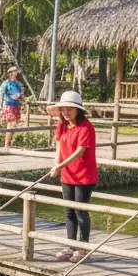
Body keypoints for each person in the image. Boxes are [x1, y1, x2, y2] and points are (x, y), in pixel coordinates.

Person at [47, 90, 97, 262]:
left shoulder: (86, 127)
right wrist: (56, 165)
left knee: (80, 211)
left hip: (84, 175)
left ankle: (84, 248)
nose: (66, 113)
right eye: (64, 110)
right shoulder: (62, 125)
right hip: (67, 174)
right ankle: (71, 245)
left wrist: (60, 166)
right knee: (69, 211)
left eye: (69, 109)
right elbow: (59, 147)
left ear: (78, 110)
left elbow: (79, 152)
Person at [0, 66, 23, 148]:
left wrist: (19, 97)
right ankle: (6, 144)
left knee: (14, 124)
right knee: (10, 124)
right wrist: (0, 108)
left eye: (15, 71)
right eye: (12, 72)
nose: (14, 73)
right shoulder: (5, 84)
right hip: (8, 105)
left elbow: (21, 94)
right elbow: (1, 97)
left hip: (16, 105)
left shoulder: (17, 84)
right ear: (9, 74)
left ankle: (9, 143)